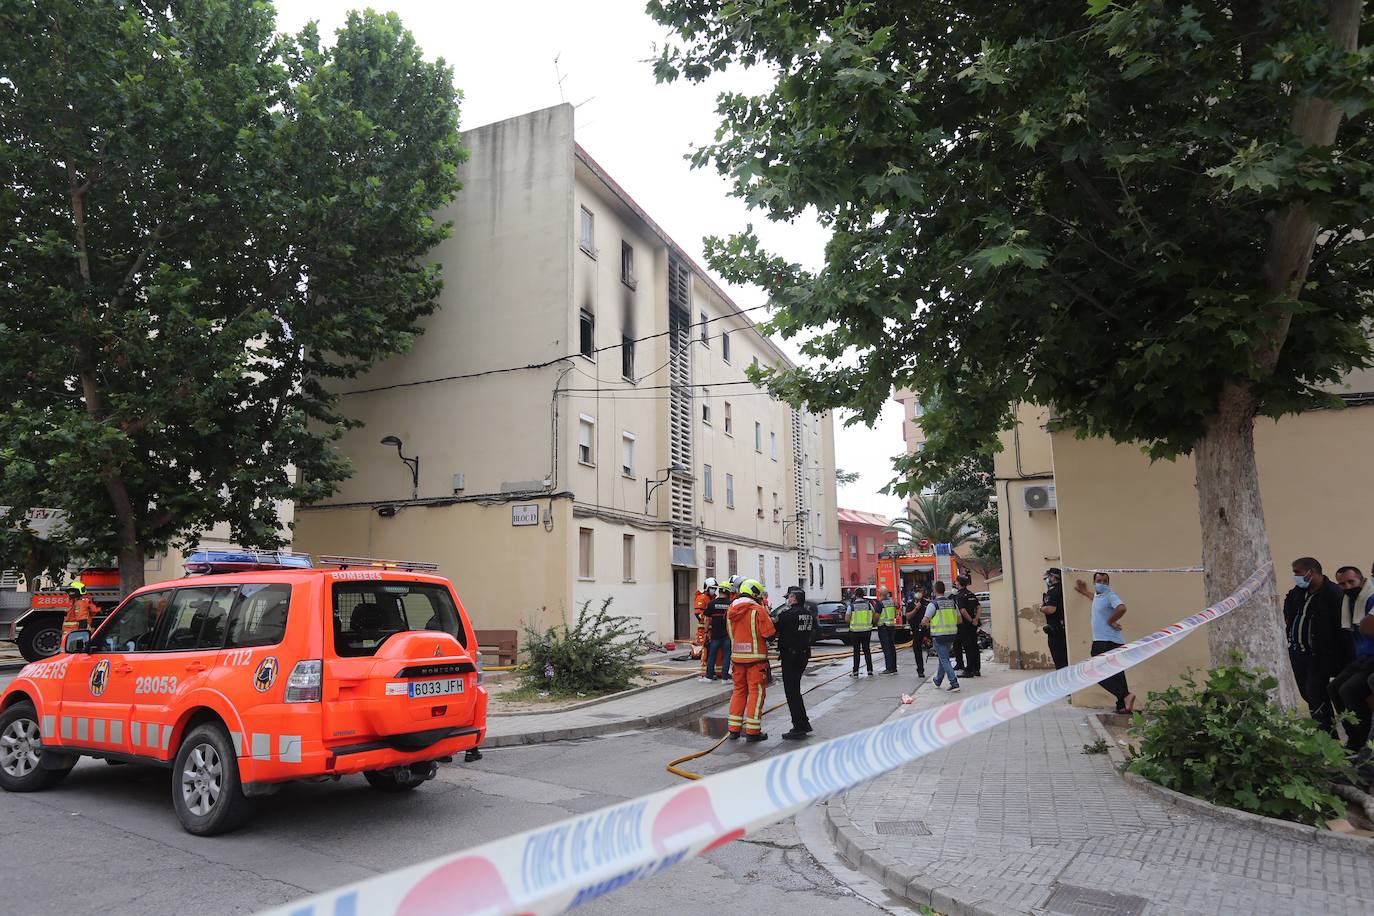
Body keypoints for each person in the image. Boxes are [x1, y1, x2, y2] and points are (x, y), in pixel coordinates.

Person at [1283, 557, 1345, 736]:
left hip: (1318, 656)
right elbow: (1289, 599)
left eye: (1298, 573)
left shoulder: (1332, 593)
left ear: (1312, 572)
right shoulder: (1299, 591)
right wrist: (1288, 614)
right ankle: (1325, 733)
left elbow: (1341, 628)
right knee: (1308, 694)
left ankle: (1327, 737)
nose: (1295, 577)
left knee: (1316, 694)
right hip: (1297, 653)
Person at [1328, 566, 1374, 754]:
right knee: (1333, 688)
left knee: (1349, 691)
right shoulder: (1349, 601)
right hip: (1361, 657)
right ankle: (1353, 740)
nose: (1347, 587)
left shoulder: (1370, 598)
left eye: (1351, 582)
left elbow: (1366, 629)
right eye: (1342, 584)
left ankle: (1364, 744)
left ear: (1362, 580)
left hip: (1371, 657)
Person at [1074, 573, 1135, 712]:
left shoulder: (1110, 594)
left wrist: (1111, 621)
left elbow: (1122, 608)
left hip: (1105, 641)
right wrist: (1084, 591)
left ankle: (1125, 695)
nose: (1102, 583)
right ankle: (1123, 706)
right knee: (1117, 674)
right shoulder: (1099, 596)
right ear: (1094, 582)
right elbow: (1094, 599)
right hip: (1114, 641)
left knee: (1094, 671)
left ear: (1108, 583)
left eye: (1105, 581)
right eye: (1099, 581)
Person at [726, 578, 776, 742]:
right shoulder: (757, 610)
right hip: (756, 660)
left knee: (739, 691)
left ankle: (733, 729)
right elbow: (769, 634)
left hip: (737, 659)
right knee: (756, 693)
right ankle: (753, 732)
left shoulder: (730, 610)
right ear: (755, 594)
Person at [775, 587, 815, 740]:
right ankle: (803, 722)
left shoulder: (787, 614)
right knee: (795, 690)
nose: (788, 600)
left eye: (789, 597)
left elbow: (772, 630)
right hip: (803, 654)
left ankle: (799, 726)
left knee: (792, 692)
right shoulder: (808, 614)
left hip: (790, 656)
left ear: (794, 598)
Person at [925, 581, 961, 692]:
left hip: (939, 636)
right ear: (944, 590)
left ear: (935, 590)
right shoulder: (952, 603)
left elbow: (925, 620)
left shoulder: (933, 604)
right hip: (951, 635)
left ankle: (954, 683)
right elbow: (959, 620)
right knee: (943, 658)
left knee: (945, 660)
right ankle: (938, 680)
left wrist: (927, 624)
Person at [701, 580, 733, 682]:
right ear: (728, 592)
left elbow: (707, 620)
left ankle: (709, 676)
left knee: (712, 655)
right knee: (726, 656)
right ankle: (725, 678)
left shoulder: (712, 603)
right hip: (727, 635)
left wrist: (706, 632)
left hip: (715, 635)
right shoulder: (731, 604)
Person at [1041, 568, 1069, 670]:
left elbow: (1051, 609)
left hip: (1055, 630)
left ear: (1053, 577)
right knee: (1064, 660)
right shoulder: (1063, 588)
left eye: (1049, 576)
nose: (1047, 579)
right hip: (1062, 629)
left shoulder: (1053, 591)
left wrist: (1041, 608)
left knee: (1060, 662)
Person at [955, 575, 982, 677]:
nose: (955, 583)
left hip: (965, 625)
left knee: (968, 647)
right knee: (975, 646)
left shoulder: (960, 595)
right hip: (973, 625)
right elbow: (979, 607)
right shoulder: (971, 594)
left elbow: (962, 610)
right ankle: (977, 669)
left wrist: (971, 620)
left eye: (956, 582)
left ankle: (969, 670)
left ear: (960, 583)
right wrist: (976, 619)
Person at [846, 591, 875, 677]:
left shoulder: (851, 606)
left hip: (855, 632)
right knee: (867, 651)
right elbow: (874, 615)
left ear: (855, 595)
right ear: (863, 595)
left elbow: (847, 619)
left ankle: (855, 671)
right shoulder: (869, 605)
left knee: (856, 651)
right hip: (866, 631)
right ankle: (870, 670)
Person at [904, 584, 929, 678]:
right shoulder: (910, 604)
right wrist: (916, 609)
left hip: (926, 630)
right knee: (917, 651)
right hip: (916, 630)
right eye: (917, 591)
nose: (919, 593)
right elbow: (908, 616)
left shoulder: (927, 603)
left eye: (920, 591)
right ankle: (920, 670)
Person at [875, 587, 900, 675]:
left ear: (880, 594)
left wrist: (874, 622)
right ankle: (894, 668)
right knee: (892, 647)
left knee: (886, 648)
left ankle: (888, 668)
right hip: (891, 626)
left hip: (883, 627)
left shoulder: (880, 603)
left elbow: (877, 616)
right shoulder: (892, 602)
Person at [694, 579, 715, 671]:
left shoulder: (712, 598)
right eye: (712, 588)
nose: (714, 590)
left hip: (710, 629)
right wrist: (708, 621)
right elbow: (698, 614)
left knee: (711, 650)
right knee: (705, 649)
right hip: (703, 629)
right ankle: (704, 672)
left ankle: (710, 670)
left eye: (715, 588)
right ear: (707, 587)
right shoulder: (702, 598)